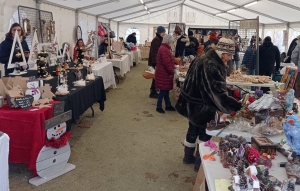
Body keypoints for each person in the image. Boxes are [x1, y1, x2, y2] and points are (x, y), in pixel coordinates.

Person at [175, 38, 242, 172]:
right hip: (202, 106)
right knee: (205, 135)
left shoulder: (204, 56)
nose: (230, 58)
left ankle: (188, 157)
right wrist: (236, 106)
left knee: (193, 130)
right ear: (222, 52)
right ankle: (199, 165)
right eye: (229, 55)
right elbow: (217, 93)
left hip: (192, 102)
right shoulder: (212, 65)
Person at [155, 35, 176, 114]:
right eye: (172, 42)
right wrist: (172, 71)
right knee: (163, 91)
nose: (172, 43)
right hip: (164, 73)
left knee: (166, 91)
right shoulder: (165, 50)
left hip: (163, 73)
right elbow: (166, 63)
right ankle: (159, 106)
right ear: (168, 42)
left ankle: (168, 105)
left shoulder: (164, 48)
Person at [148, 26, 166, 98]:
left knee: (156, 76)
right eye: (163, 32)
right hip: (155, 62)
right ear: (159, 32)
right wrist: (156, 63)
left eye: (164, 32)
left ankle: (154, 91)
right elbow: (154, 52)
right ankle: (153, 92)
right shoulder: (156, 40)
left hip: (157, 61)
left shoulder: (159, 39)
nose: (164, 33)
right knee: (155, 76)